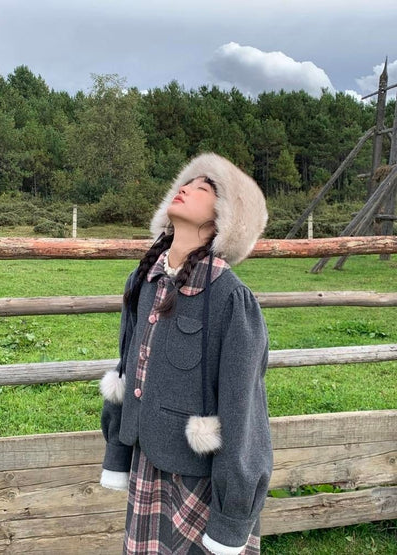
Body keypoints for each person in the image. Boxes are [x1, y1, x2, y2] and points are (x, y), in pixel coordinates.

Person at [99, 152, 273, 554]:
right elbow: (127, 370)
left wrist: (232, 515)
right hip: (147, 463)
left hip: (200, 480)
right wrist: (117, 453)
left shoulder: (231, 300)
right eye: (186, 182)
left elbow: (244, 413)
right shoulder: (143, 280)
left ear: (225, 216)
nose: (186, 188)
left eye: (204, 187)